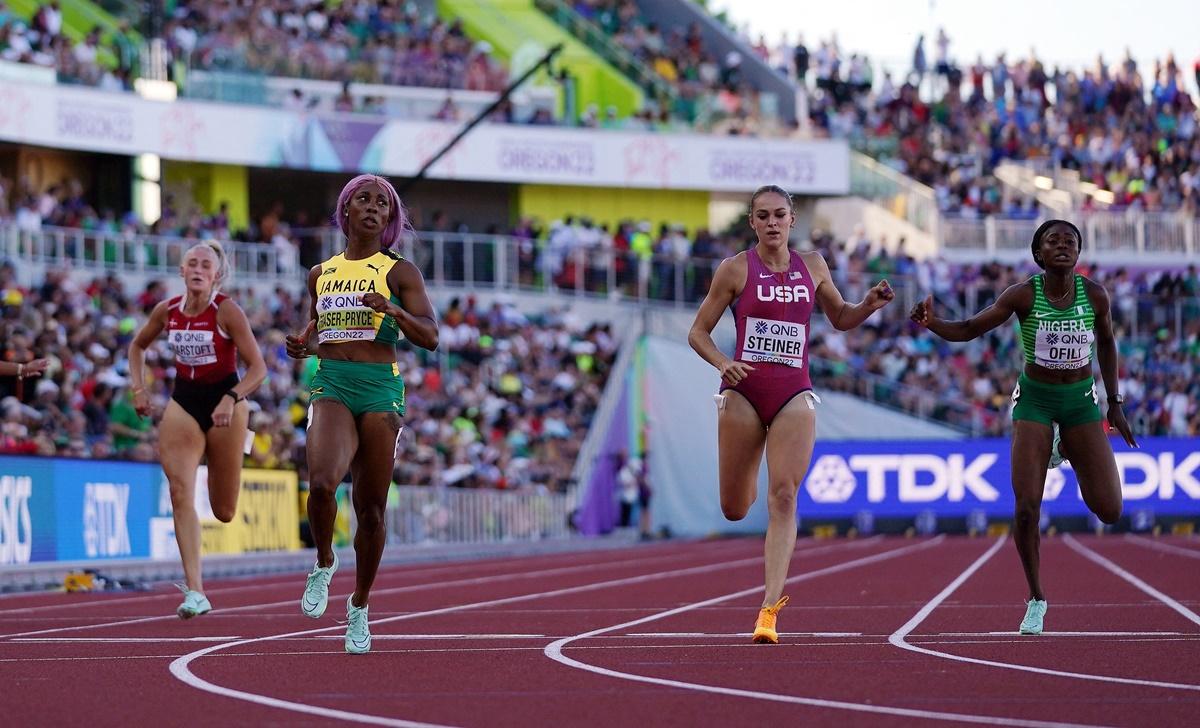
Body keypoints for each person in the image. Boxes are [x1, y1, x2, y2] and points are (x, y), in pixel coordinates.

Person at [687, 184, 894, 644]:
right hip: (742, 392)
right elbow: (697, 332)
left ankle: (768, 612)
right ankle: (746, 474)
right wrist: (724, 362)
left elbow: (840, 317)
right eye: (763, 216)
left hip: (793, 393)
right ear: (753, 223)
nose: (772, 223)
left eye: (780, 214)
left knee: (784, 496)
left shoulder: (814, 266)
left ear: (792, 220)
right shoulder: (735, 269)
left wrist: (868, 307)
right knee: (736, 508)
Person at [909, 219, 1137, 635]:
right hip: (1035, 400)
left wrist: (1115, 401)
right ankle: (1036, 598)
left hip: (1080, 402)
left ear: (1078, 253)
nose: (1064, 246)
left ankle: (1065, 444)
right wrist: (932, 323)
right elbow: (969, 329)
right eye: (1054, 241)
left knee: (1110, 510)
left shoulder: (1095, 296)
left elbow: (1106, 343)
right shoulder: (1023, 295)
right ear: (1039, 254)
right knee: (1027, 508)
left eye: (1071, 241)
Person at [286, 174, 438, 654]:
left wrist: (392, 310)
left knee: (371, 510)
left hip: (379, 389)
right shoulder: (321, 273)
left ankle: (360, 605)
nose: (373, 207)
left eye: (383, 203)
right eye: (363, 200)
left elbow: (431, 336)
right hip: (331, 382)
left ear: (389, 218)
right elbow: (321, 332)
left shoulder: (400, 272)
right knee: (323, 482)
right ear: (346, 211)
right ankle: (325, 562)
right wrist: (304, 344)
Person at [128, 241, 267, 618]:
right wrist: (139, 390)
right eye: (192, 263)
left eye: (206, 264)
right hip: (184, 402)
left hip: (228, 403)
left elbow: (259, 368)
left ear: (216, 275)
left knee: (223, 509)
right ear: (182, 271)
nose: (198, 268)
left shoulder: (227, 311)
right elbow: (137, 346)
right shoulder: (168, 311)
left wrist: (232, 398)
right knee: (178, 491)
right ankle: (196, 591)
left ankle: (238, 445)